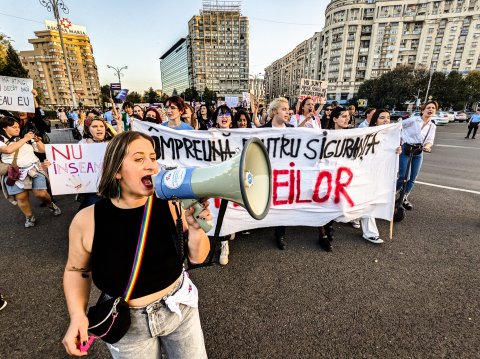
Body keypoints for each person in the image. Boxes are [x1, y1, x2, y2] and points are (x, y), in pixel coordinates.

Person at [62, 131, 211, 358]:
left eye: (153, 158)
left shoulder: (171, 205)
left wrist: (196, 228)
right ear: (117, 171)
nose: (151, 166)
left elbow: (198, 258)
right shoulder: (87, 220)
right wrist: (77, 315)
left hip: (179, 309)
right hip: (127, 323)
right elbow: (77, 270)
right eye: (139, 159)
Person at [0, 117, 61, 228]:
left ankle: (50, 204)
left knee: (41, 193)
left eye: (18, 127)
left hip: (33, 168)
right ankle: (29, 217)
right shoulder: (1, 139)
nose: (17, 129)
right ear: (4, 128)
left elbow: (42, 150)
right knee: (21, 197)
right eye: (13, 127)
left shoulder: (25, 136)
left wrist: (37, 140)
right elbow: (8, 150)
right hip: (14, 172)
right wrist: (24, 139)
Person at [260, 97, 294, 250]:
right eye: (284, 109)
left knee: (283, 204)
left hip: (284, 176)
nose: (288, 112)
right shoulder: (261, 131)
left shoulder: (294, 131)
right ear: (274, 111)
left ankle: (280, 234)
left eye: (288, 109)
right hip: (264, 174)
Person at [396, 101, 437, 210]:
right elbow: (398, 126)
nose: (431, 109)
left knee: (413, 177)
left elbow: (430, 140)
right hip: (406, 149)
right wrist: (400, 139)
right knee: (404, 176)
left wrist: (428, 146)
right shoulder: (414, 120)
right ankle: (391, 193)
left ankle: (404, 197)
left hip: (418, 151)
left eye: (433, 108)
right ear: (423, 110)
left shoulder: (432, 126)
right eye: (428, 107)